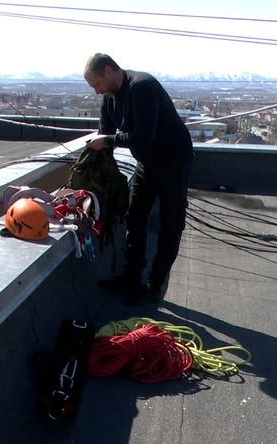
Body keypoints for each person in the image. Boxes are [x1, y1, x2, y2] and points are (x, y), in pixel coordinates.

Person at [83, 53, 194, 304]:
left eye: (97, 84)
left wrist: (107, 141)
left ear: (109, 71)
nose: (97, 91)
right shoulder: (110, 97)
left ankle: (154, 284)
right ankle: (131, 277)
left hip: (173, 161)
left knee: (170, 222)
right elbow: (105, 134)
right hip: (147, 163)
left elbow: (143, 137)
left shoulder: (142, 87)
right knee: (134, 216)